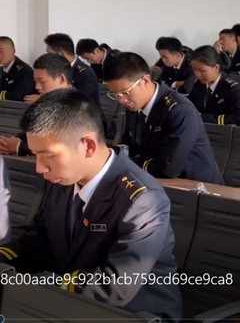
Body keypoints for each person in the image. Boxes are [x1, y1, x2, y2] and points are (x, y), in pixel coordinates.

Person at [0, 89, 181, 320]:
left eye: (48, 155)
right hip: (72, 303)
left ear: (88, 146)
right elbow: (40, 239)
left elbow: (115, 285)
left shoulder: (142, 200)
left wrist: (39, 283)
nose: (39, 168)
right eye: (35, 155)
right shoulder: (62, 178)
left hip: (132, 313)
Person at [105, 52, 223, 184]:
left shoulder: (179, 110)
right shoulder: (134, 105)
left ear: (145, 81)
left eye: (125, 92)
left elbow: (168, 168)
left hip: (197, 187)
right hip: (155, 182)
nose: (121, 100)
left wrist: (128, 161)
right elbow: (129, 147)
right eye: (115, 95)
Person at [0, 53, 73, 157]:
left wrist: (19, 146)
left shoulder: (78, 107)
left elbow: (62, 146)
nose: (37, 87)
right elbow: (34, 131)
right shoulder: (49, 102)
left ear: (61, 79)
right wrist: (9, 141)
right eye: (35, 82)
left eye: (42, 81)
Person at [187, 46, 240, 126]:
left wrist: (206, 118)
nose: (197, 75)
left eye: (202, 71)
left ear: (216, 67)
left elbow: (238, 118)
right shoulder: (199, 84)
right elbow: (189, 105)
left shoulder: (232, 89)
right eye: (194, 70)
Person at [43, 33, 100, 104]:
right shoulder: (59, 68)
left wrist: (43, 99)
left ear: (60, 54)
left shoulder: (85, 73)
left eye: (50, 54)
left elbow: (77, 102)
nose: (48, 58)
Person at [0, 36, 35, 101]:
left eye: (1, 51)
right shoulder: (2, 68)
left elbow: (16, 97)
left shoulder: (25, 71)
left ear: (13, 51)